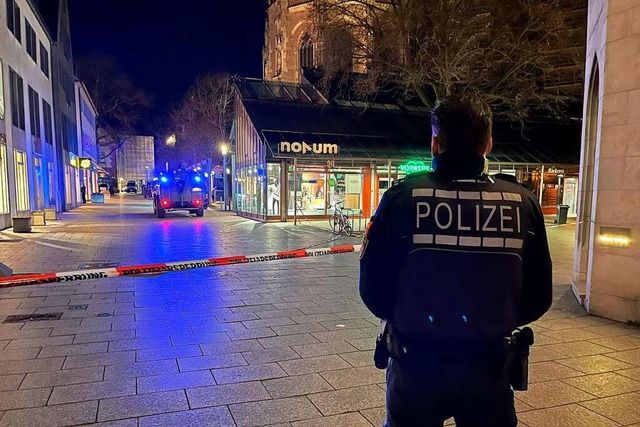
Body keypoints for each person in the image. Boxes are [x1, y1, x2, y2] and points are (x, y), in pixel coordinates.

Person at [359, 95, 552, 427]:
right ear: (488, 143)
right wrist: (495, 321)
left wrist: (407, 317)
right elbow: (539, 295)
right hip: (489, 365)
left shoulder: (402, 198)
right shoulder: (522, 203)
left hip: (415, 363)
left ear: (435, 143)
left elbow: (372, 288)